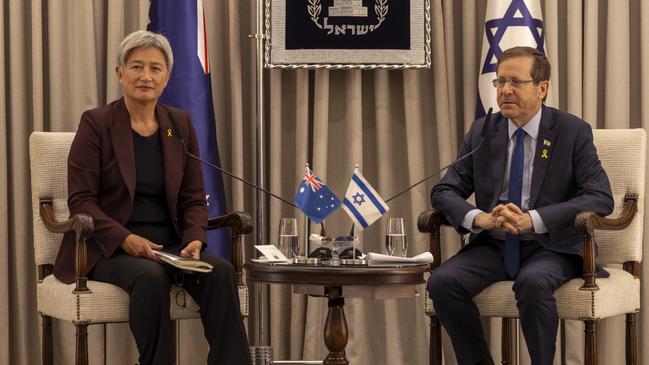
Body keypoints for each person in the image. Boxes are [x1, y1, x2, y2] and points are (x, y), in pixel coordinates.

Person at [53, 30, 251, 365]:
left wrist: (194, 239)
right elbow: (81, 201)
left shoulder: (180, 124)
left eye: (155, 68)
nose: (146, 76)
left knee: (219, 272)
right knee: (149, 277)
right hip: (109, 247)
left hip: (171, 247)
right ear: (120, 73)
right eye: (136, 67)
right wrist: (126, 238)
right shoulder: (97, 123)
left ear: (167, 77)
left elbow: (192, 197)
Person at [426, 46, 613, 365]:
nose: (505, 90)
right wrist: (478, 218)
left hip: (552, 245)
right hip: (494, 244)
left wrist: (534, 219)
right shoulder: (483, 131)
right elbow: (444, 190)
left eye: (515, 82)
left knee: (533, 281)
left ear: (542, 88)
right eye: (499, 82)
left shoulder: (571, 131)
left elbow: (600, 197)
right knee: (443, 281)